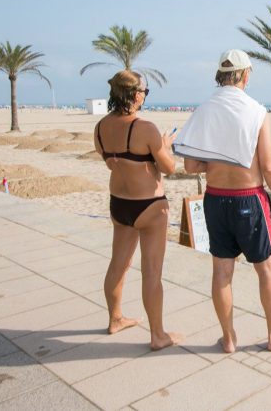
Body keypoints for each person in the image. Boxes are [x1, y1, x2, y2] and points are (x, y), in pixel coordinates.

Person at [179, 49, 271, 353]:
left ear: (221, 75)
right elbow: (268, 166)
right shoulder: (256, 111)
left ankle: (229, 338)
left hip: (215, 198)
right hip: (249, 199)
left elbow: (190, 166)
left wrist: (216, 162)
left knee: (221, 272)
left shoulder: (204, 110)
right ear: (245, 75)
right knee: (266, 269)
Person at [93, 70, 180, 350]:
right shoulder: (145, 128)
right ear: (135, 94)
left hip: (119, 203)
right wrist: (165, 146)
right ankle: (158, 335)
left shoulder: (100, 127)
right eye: (144, 91)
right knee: (151, 272)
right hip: (149, 205)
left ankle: (115, 319)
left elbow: (111, 161)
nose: (145, 96)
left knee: (118, 264)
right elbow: (169, 168)